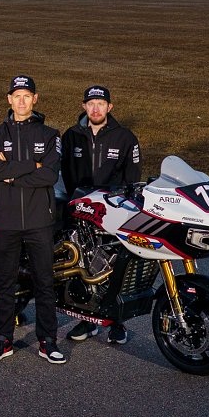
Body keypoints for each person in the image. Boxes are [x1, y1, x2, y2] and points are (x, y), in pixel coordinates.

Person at [0, 75, 66, 364]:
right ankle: (3, 339)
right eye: (16, 95)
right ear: (9, 99)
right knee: (5, 282)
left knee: (44, 282)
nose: (21, 101)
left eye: (26, 96)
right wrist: (32, 166)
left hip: (38, 220)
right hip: (5, 220)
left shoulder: (50, 134)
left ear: (35, 99)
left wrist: (12, 174)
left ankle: (48, 341)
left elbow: (50, 175)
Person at [61, 85, 142, 345]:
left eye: (101, 104)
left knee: (115, 268)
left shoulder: (125, 137)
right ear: (84, 106)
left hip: (113, 213)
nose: (96, 109)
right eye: (91, 104)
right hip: (81, 212)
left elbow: (133, 178)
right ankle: (87, 320)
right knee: (82, 266)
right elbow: (65, 172)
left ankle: (117, 323)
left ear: (109, 107)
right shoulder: (71, 136)